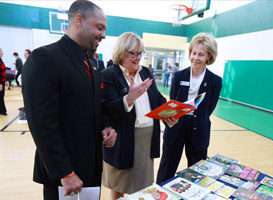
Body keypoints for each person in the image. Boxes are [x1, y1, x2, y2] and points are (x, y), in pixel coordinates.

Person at [22, 0, 117, 199]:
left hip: (91, 168)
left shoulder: (92, 64)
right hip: (64, 176)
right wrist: (65, 172)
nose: (103, 34)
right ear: (79, 20)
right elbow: (42, 125)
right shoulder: (44, 59)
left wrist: (106, 126)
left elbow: (95, 106)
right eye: (99, 27)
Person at [101, 32, 178, 200]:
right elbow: (106, 107)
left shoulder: (145, 73)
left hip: (146, 140)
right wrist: (129, 98)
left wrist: (169, 115)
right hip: (123, 139)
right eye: (133, 53)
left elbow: (157, 100)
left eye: (140, 53)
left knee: (143, 185)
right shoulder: (109, 75)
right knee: (118, 184)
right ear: (121, 52)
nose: (137, 58)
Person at [156, 33, 222, 184]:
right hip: (176, 126)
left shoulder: (215, 81)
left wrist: (195, 118)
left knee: (197, 174)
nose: (196, 58)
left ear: (209, 57)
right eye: (194, 53)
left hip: (199, 129)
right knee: (166, 170)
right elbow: (172, 102)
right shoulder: (179, 76)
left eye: (201, 54)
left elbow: (209, 109)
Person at [0, 48, 8, 116]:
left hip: (2, 81)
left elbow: (3, 72)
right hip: (0, 82)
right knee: (0, 96)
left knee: (1, 96)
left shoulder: (1, 60)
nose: (2, 53)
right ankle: (2, 111)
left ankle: (2, 110)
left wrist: (5, 81)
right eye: (1, 52)